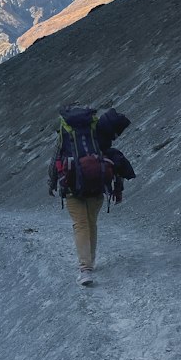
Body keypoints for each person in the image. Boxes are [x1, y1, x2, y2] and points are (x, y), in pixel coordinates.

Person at [48, 107, 134, 286]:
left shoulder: (66, 135)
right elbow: (115, 161)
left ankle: (85, 268)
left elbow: (55, 158)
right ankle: (90, 263)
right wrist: (118, 189)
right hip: (97, 186)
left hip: (72, 186)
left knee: (80, 224)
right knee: (91, 223)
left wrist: (52, 183)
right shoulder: (98, 137)